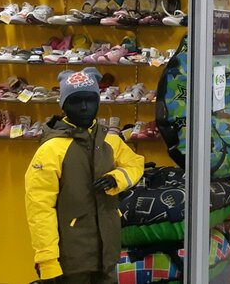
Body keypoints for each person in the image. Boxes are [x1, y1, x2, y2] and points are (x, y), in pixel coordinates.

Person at [25, 68, 145, 284]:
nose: (83, 107)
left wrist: (116, 178)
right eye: (75, 101)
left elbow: (135, 163)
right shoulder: (52, 149)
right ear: (63, 105)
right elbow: (39, 209)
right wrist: (48, 262)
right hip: (71, 258)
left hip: (107, 253)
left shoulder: (109, 141)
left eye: (90, 100)